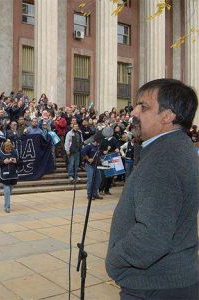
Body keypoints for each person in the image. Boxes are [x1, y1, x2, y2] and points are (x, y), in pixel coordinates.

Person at [106, 79, 199, 299]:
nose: (134, 112)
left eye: (144, 106)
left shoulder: (163, 159)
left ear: (167, 116)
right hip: (170, 281)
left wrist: (115, 259)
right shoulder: (177, 148)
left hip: (153, 287)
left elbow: (152, 237)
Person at [0, 139, 22, 213]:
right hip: (4, 176)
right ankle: (7, 207)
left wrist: (16, 162)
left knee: (9, 190)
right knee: (6, 191)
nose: (8, 150)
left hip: (13, 174)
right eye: (7, 149)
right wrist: (3, 162)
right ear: (4, 148)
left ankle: (6, 202)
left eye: (10, 149)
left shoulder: (15, 153)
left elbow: (21, 163)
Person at [81, 134, 103, 200]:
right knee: (90, 180)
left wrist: (100, 159)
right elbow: (83, 152)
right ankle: (89, 194)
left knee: (98, 180)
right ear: (97, 140)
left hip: (96, 165)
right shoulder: (89, 146)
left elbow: (98, 155)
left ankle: (95, 193)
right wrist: (88, 159)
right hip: (89, 165)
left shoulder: (98, 147)